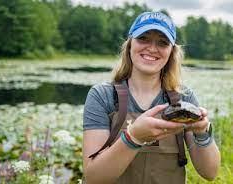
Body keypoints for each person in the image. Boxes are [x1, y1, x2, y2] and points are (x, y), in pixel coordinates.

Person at [82, 11, 220, 184]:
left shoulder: (184, 98)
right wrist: (134, 138)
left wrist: (202, 132)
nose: (152, 48)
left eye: (162, 42)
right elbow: (94, 178)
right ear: (130, 44)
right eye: (143, 38)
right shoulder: (103, 95)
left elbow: (210, 172)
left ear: (171, 52)